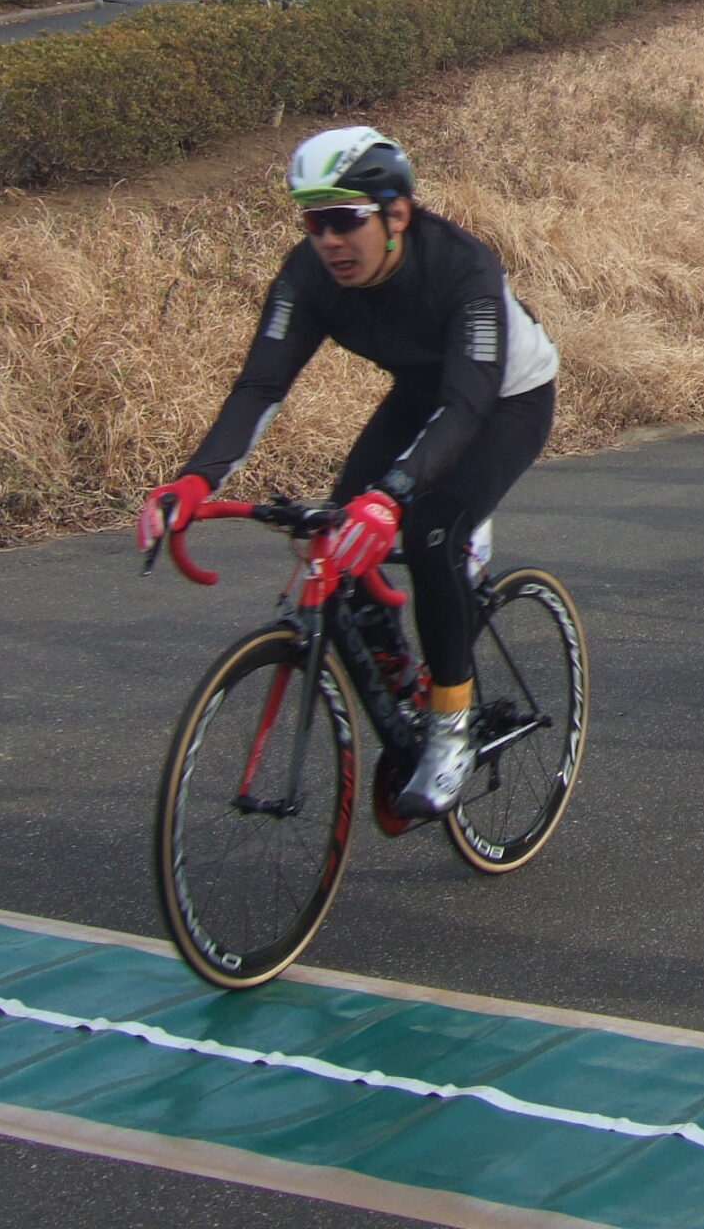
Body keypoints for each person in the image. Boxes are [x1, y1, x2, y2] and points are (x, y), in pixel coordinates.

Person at [139, 127, 561, 819]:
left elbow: (466, 405)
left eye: (344, 220)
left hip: (502, 399)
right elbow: (259, 388)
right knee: (340, 533)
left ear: (396, 213)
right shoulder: (307, 276)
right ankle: (400, 685)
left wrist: (393, 499)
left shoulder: (463, 269)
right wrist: (192, 483)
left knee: (427, 531)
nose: (328, 240)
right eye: (313, 221)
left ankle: (450, 727)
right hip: (422, 391)